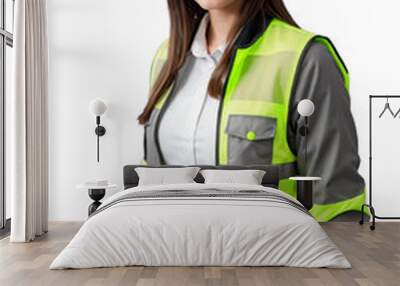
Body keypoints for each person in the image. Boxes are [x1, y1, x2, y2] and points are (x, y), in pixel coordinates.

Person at [138, 0, 366, 222]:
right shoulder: (166, 56)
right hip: (171, 249)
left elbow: (335, 205)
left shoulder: (309, 59)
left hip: (270, 253)